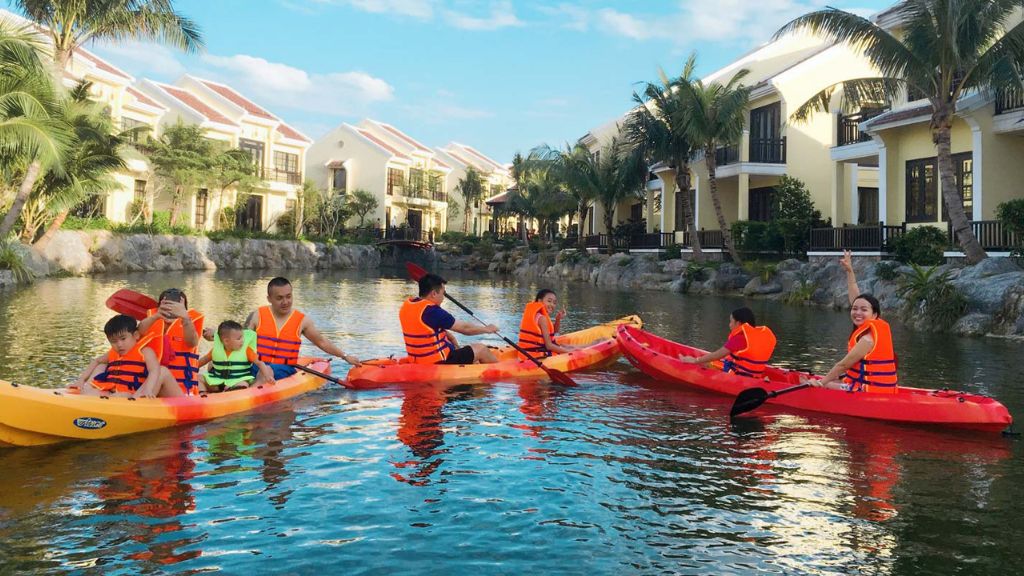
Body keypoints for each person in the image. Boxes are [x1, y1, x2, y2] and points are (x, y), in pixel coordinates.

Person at [806, 251, 898, 392]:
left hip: (866, 391)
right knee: (834, 378)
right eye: (855, 309)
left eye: (863, 310)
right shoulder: (874, 324)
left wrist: (821, 382)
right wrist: (849, 270)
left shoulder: (867, 340)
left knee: (825, 383)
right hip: (876, 387)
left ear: (874, 314)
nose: (858, 313)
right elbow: (855, 295)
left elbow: (843, 366)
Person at [243, 277, 362, 380]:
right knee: (263, 369)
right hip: (257, 366)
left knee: (268, 370)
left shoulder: (302, 320)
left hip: (284, 369)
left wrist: (345, 356)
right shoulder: (256, 315)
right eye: (279, 298)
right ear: (269, 299)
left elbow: (321, 342)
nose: (285, 302)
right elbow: (240, 342)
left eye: (288, 297)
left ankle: (250, 392)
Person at [71, 314, 184, 398]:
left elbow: (154, 370)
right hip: (112, 390)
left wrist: (149, 389)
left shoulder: (145, 351)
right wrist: (81, 380)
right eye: (114, 341)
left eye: (123, 339)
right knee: (101, 366)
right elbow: (96, 361)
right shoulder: (113, 353)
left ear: (135, 335)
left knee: (162, 370)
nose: (119, 344)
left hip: (134, 393)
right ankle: (84, 394)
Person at [399, 273, 499, 365]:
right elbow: (465, 329)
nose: (443, 298)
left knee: (467, 351)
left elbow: (423, 329)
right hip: (438, 362)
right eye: (443, 293)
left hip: (417, 360)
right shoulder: (434, 311)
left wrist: (450, 338)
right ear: (434, 293)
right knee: (481, 349)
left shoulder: (407, 306)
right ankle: (500, 369)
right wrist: (487, 329)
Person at [137, 288, 204, 395]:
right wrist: (156, 316)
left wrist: (185, 318)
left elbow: (192, 343)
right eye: (167, 307)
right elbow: (138, 334)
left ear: (184, 309)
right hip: (152, 387)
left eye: (175, 308)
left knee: (162, 371)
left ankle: (138, 404)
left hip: (181, 392)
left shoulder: (188, 325)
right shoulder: (152, 322)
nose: (170, 311)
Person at [679, 307, 777, 378]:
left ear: (738, 323)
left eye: (731, 321)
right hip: (755, 376)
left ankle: (688, 363)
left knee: (703, 362)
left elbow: (717, 355)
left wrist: (695, 360)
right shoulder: (757, 335)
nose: (729, 325)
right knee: (712, 362)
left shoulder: (740, 338)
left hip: (739, 378)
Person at [198, 321, 274, 392]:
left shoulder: (247, 350)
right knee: (199, 378)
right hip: (217, 382)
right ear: (226, 341)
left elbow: (259, 363)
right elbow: (204, 360)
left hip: (237, 381)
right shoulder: (216, 350)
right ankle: (203, 395)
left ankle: (231, 391)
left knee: (243, 384)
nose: (242, 340)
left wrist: (267, 376)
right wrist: (190, 368)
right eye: (239, 338)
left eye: (242, 337)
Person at [517, 289, 575, 360]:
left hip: (525, 354)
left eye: (554, 302)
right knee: (569, 348)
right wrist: (570, 352)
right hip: (535, 357)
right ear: (540, 301)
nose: (552, 305)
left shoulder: (537, 315)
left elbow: (554, 332)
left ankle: (589, 345)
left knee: (565, 345)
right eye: (549, 301)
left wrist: (558, 319)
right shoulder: (542, 318)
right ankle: (589, 346)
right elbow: (549, 346)